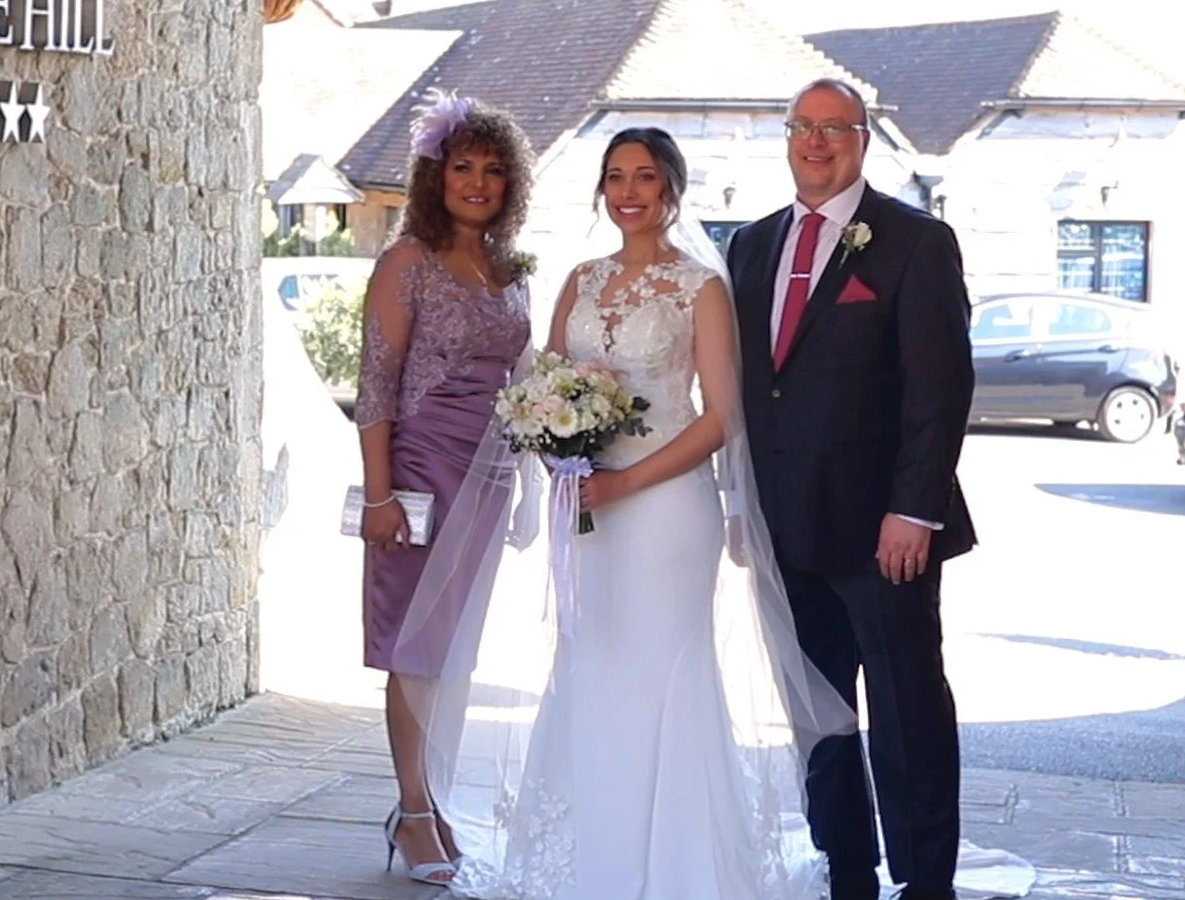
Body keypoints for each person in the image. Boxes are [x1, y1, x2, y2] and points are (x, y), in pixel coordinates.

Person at [413, 127, 853, 900]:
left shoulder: (699, 289)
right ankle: (596, 864)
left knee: (662, 677)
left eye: (644, 176)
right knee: (593, 669)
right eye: (614, 176)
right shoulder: (580, 280)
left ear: (671, 190)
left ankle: (679, 872)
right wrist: (555, 447)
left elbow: (720, 418)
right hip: (589, 510)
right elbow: (542, 383)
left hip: (669, 514)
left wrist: (627, 482)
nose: (628, 191)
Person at [726, 79, 978, 900]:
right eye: (801, 125)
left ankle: (924, 878)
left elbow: (940, 389)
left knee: (906, 713)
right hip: (786, 529)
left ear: (864, 139)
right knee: (819, 715)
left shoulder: (914, 240)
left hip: (885, 534)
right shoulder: (752, 247)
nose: (815, 141)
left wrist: (914, 509)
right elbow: (754, 391)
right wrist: (741, 508)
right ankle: (847, 865)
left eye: (834, 127)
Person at [355, 91, 536, 885]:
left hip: (491, 477)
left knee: (453, 649)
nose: (479, 182)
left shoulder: (510, 266)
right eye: (463, 166)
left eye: (495, 170)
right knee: (414, 647)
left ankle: (431, 797)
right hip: (422, 472)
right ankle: (414, 808)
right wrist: (379, 494)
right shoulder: (406, 262)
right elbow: (375, 386)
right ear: (435, 175)